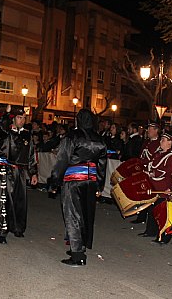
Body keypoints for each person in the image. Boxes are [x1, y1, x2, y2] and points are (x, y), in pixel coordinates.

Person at [49, 109, 107, 266]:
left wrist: (54, 182)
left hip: (73, 179)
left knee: (73, 214)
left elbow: (62, 160)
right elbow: (102, 164)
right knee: (86, 214)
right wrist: (100, 185)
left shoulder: (72, 137)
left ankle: (77, 255)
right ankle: (80, 246)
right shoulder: (99, 139)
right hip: (91, 180)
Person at [0, 108, 38, 244]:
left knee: (20, 201)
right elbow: (1, 126)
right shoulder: (6, 132)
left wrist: (33, 172)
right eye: (19, 117)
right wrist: (6, 113)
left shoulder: (27, 135)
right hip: (6, 169)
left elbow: (31, 155)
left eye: (24, 118)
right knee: (3, 200)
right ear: (13, 118)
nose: (22, 120)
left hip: (21, 172)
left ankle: (17, 227)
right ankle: (1, 231)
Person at [141, 130, 172, 242]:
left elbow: (169, 171)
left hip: (164, 188)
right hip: (155, 187)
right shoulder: (159, 153)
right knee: (152, 210)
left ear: (169, 142)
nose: (161, 142)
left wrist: (154, 173)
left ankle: (164, 236)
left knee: (163, 213)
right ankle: (150, 231)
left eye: (163, 140)